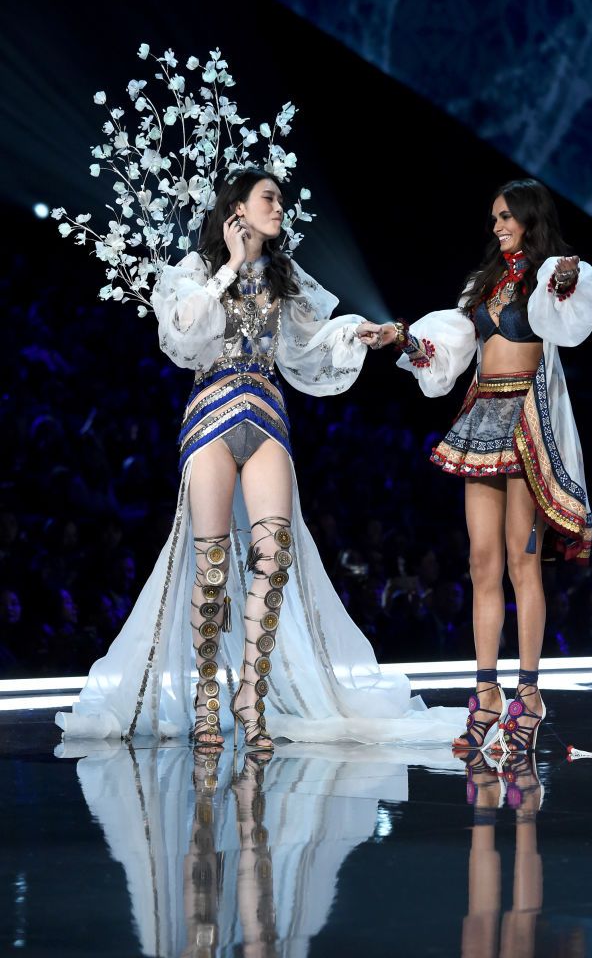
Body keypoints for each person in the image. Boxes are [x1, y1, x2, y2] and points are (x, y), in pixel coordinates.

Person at [56, 167, 466, 749]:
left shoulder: (284, 274)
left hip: (267, 411)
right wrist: (228, 265)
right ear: (238, 210)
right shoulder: (196, 271)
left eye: (280, 199)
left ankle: (251, 692)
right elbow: (182, 334)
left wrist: (355, 334)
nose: (279, 207)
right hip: (212, 412)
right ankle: (207, 697)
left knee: (274, 558)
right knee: (212, 563)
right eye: (269, 198)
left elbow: (309, 344)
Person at [357, 179, 592, 754]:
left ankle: (530, 695)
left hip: (527, 419)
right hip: (483, 417)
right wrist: (403, 339)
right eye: (494, 217)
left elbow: (567, 322)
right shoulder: (484, 283)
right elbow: (449, 352)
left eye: (506, 216)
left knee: (522, 561)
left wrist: (563, 281)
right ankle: (487, 693)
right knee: (481, 563)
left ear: (530, 218)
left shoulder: (551, 277)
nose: (497, 225)